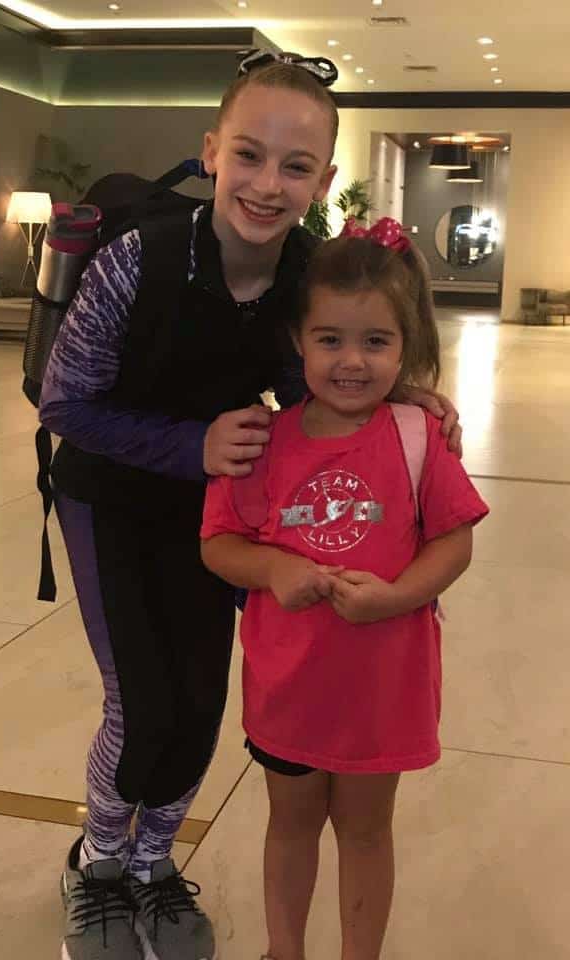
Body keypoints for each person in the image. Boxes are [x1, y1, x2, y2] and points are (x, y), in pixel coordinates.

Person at [39, 50, 462, 960]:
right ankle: (99, 865)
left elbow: (317, 380)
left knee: (198, 703)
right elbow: (63, 403)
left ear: (323, 180)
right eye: (248, 155)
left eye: (295, 165)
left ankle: (153, 863)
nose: (268, 185)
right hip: (113, 498)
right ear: (211, 153)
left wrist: (406, 403)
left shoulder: (305, 273)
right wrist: (188, 445)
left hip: (227, 510)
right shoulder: (137, 261)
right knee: (141, 704)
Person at [200, 219, 488, 960]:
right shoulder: (263, 441)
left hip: (381, 691)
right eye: (329, 339)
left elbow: (454, 541)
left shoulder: (418, 438)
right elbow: (219, 543)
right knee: (290, 825)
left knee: (364, 831)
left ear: (405, 347)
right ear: (297, 341)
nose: (352, 361)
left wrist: (396, 596)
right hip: (288, 686)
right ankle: (284, 950)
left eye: (375, 341)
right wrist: (273, 569)